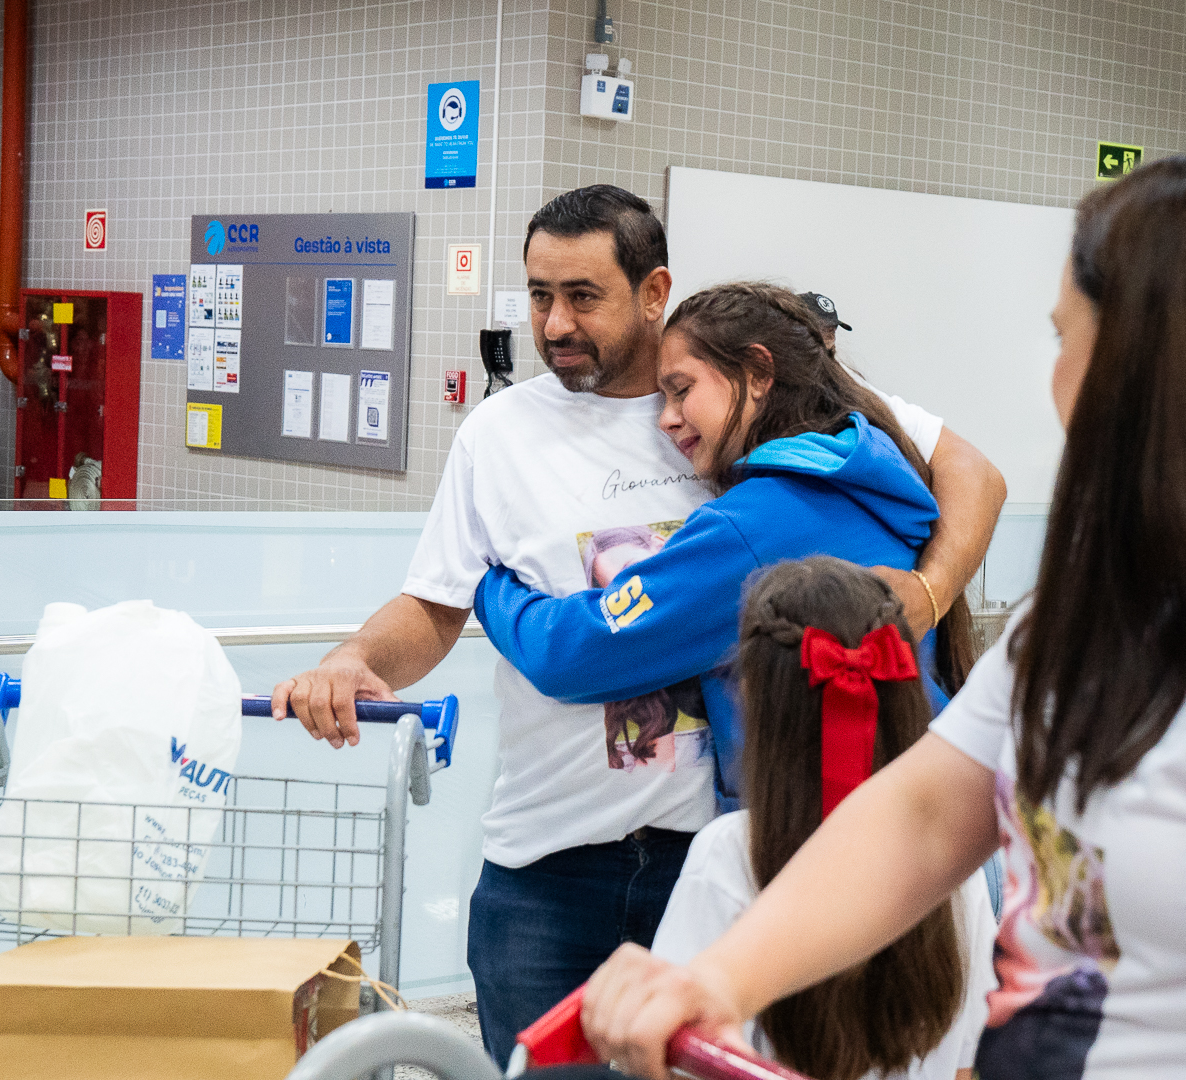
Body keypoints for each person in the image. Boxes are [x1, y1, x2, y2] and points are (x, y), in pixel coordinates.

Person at [577, 154, 1186, 1080]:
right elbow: (922, 815)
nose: (1053, 383)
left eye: (1060, 338)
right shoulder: (1106, 606)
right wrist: (714, 977)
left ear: (1143, 362)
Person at [270, 185, 1007, 1060]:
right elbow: (435, 603)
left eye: (583, 296)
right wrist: (358, 656)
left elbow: (973, 472)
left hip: (742, 848)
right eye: (539, 295)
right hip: (555, 864)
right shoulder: (502, 435)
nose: (553, 325)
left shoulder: (766, 417)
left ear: (654, 290)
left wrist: (924, 594)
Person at [472, 283, 979, 811]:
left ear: (759, 374)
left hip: (820, 835)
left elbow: (573, 653)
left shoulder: (758, 525)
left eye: (681, 390)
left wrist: (488, 585)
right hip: (919, 811)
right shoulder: (871, 468)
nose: (665, 418)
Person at [648, 556, 996, 1080]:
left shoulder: (729, 855)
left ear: (752, 697)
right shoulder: (950, 866)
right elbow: (968, 1064)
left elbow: (674, 1053)